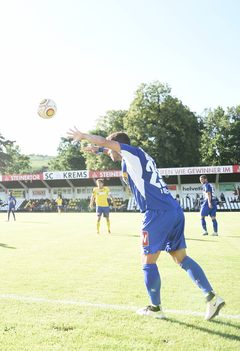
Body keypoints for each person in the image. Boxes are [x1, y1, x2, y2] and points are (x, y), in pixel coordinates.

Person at [67, 127, 225, 321]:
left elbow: (108, 144)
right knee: (180, 257)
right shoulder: (134, 157)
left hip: (156, 212)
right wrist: (99, 149)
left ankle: (155, 308)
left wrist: (85, 137)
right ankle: (212, 297)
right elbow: (110, 150)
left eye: (111, 149)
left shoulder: (132, 154)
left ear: (121, 147)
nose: (109, 153)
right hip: (172, 209)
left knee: (147, 260)